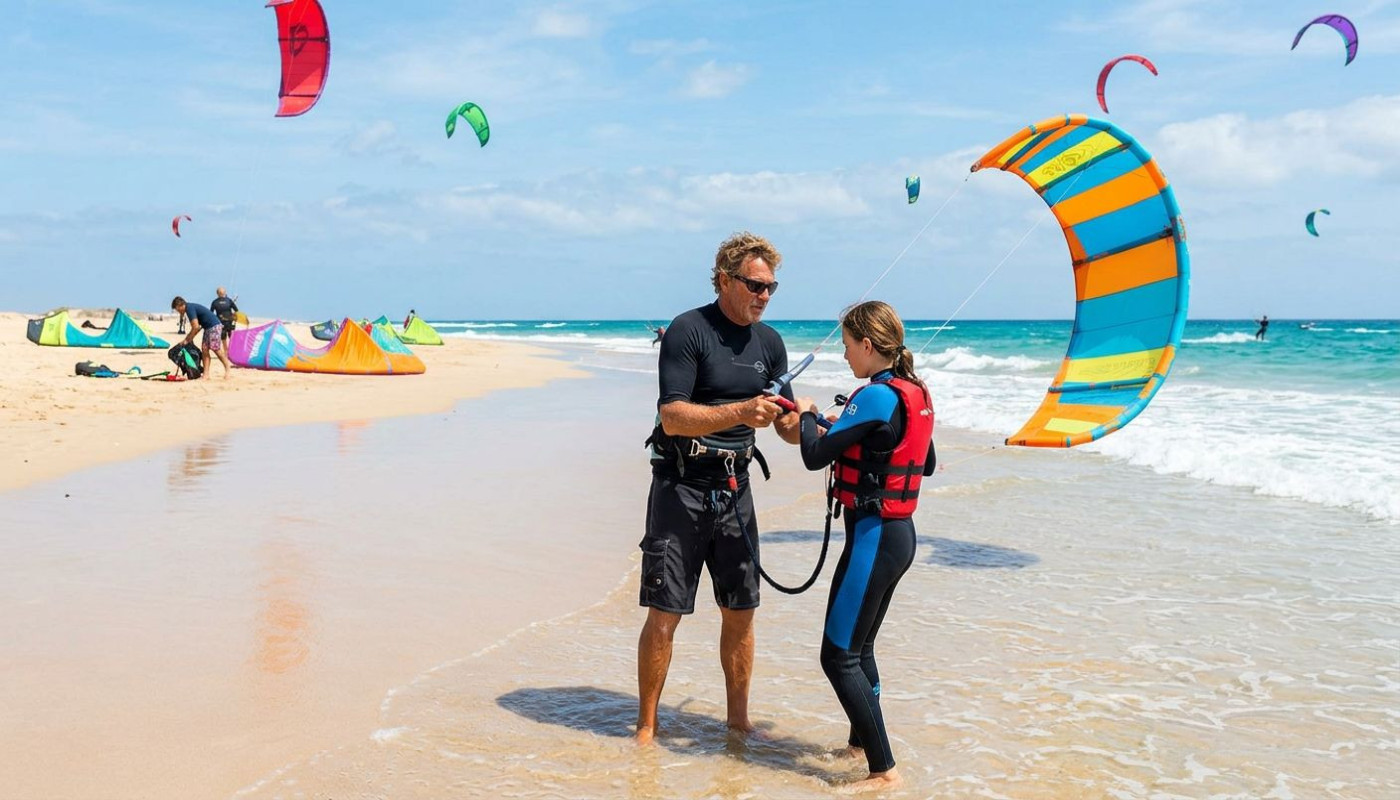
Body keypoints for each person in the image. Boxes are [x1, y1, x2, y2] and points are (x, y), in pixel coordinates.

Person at [636, 231, 802, 746]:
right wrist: (741, 412)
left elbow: (786, 427)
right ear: (726, 280)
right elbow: (672, 415)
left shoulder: (771, 343)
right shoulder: (689, 330)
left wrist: (810, 421)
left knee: (741, 610)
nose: (764, 295)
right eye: (755, 285)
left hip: (736, 488)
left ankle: (739, 722)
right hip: (681, 485)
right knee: (665, 612)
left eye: (771, 287)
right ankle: (646, 728)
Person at [791, 300, 935, 794]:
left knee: (838, 656)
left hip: (874, 538)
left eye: (848, 346)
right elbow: (921, 460)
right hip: (899, 536)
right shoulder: (914, 392)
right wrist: (849, 431)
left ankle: (884, 771)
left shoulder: (873, 395)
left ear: (868, 345)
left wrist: (809, 415)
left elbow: (813, 455)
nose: (846, 355)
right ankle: (859, 746)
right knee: (861, 647)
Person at [171, 295, 232, 379]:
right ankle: (206, 374)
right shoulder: (190, 308)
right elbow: (198, 327)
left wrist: (187, 340)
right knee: (204, 349)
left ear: (180, 305)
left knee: (216, 349)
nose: (178, 311)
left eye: (177, 309)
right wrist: (190, 338)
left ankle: (227, 368)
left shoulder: (189, 309)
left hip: (214, 326)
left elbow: (195, 327)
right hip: (207, 328)